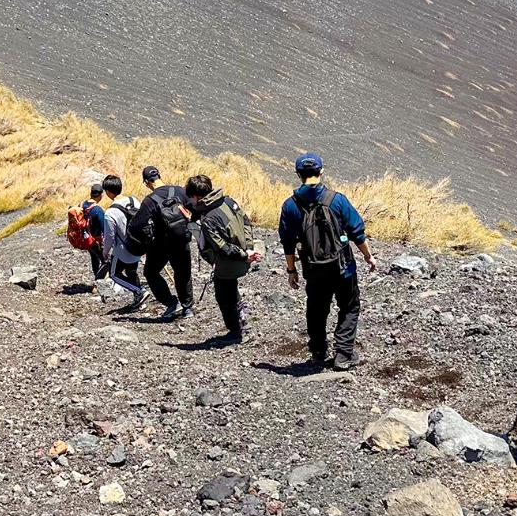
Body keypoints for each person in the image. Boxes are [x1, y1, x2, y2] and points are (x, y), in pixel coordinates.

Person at [278, 153, 377, 370]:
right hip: (343, 267)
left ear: (298, 175)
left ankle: (318, 351)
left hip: (313, 269)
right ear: (321, 172)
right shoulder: (337, 200)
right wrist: (368, 256)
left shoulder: (290, 206)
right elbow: (357, 232)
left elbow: (287, 242)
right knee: (349, 307)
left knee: (316, 309)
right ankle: (343, 354)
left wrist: (291, 270)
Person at [186, 174, 262, 342]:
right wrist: (248, 249)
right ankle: (242, 318)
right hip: (242, 255)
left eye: (190, 198)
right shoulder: (229, 201)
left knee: (223, 296)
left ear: (197, 196)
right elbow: (246, 222)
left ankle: (236, 332)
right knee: (231, 288)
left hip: (231, 261)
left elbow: (223, 248)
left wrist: (244, 255)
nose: (190, 201)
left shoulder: (209, 219)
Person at [130, 165, 194, 320]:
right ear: (159, 176)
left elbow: (136, 225)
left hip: (161, 245)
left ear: (146, 182)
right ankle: (187, 309)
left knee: (151, 273)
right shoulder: (179, 191)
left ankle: (171, 303)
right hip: (182, 239)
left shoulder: (150, 200)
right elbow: (195, 209)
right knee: (183, 273)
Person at [100, 174, 147, 309]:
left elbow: (109, 236)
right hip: (138, 245)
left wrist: (105, 251)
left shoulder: (110, 213)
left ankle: (139, 292)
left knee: (115, 274)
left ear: (108, 192)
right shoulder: (134, 201)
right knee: (132, 272)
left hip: (122, 250)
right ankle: (138, 300)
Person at [83, 183, 108, 281]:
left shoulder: (83, 204)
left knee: (94, 258)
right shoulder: (97, 210)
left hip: (86, 238)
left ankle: (97, 279)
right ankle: (98, 281)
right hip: (96, 240)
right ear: (101, 195)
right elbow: (104, 228)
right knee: (106, 261)